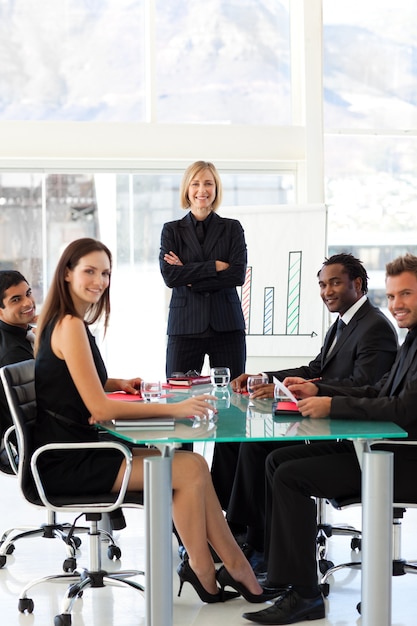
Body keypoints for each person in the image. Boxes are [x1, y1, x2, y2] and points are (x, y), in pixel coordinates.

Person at [32, 237, 274, 605]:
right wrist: (175, 409)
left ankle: (218, 567)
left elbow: (71, 382)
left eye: (106, 273)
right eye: (90, 271)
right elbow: (101, 409)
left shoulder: (65, 322)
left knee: (193, 464)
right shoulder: (70, 326)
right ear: (67, 273)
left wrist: (117, 383)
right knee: (189, 471)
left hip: (81, 449)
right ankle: (218, 568)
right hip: (68, 460)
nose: (99, 281)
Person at [243, 252, 417, 624]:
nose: (397, 304)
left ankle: (305, 595)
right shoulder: (410, 339)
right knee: (277, 460)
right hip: (380, 449)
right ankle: (282, 576)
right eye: (393, 296)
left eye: (406, 295)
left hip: (401, 459)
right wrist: (320, 395)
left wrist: (331, 404)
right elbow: (381, 390)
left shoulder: (390, 334)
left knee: (290, 475)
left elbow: (402, 409)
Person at [210, 254, 398, 557]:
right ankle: (233, 526)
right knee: (233, 439)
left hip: (342, 427)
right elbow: (315, 368)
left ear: (358, 284)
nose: (327, 291)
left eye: (335, 283)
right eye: (323, 285)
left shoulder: (374, 327)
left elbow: (366, 388)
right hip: (321, 417)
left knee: (256, 446)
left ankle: (253, 539)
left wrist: (312, 390)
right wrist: (264, 377)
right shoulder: (343, 323)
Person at [159, 160, 247, 380]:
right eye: (195, 184)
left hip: (227, 326)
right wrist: (214, 267)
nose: (202, 190)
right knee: (178, 395)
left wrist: (188, 276)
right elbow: (170, 276)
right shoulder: (172, 230)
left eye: (208, 183)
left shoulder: (232, 228)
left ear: (216, 189)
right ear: (187, 190)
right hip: (184, 326)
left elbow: (236, 275)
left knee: (234, 394)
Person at [0, 270, 36, 473]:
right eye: (16, 299)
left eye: (28, 293)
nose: (28, 302)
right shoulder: (13, 354)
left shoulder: (21, 334)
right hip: (41, 451)